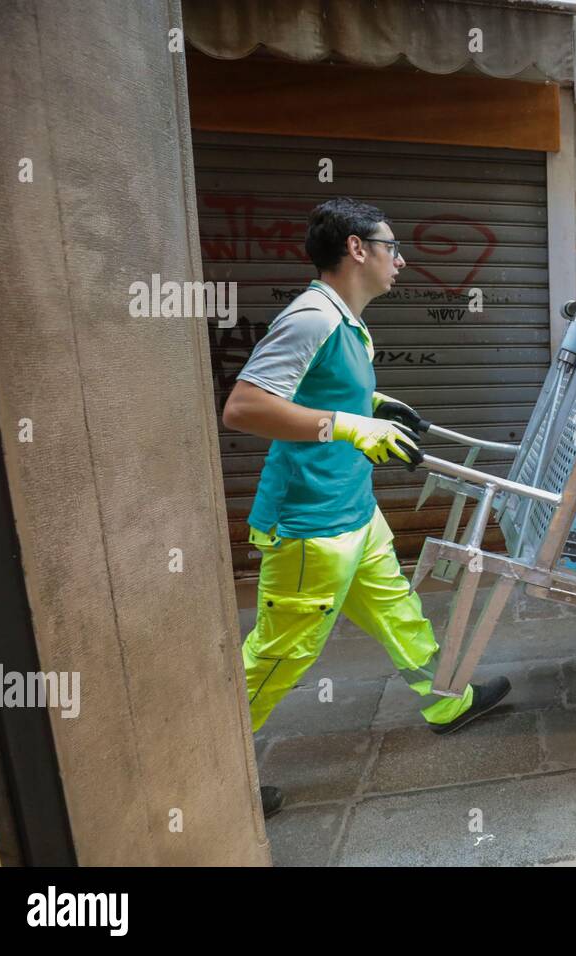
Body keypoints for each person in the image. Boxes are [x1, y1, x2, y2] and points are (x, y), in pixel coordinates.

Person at [222, 198, 511, 819]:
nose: (400, 260)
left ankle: (447, 702)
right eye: (391, 247)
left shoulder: (347, 321)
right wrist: (351, 426)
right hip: (311, 524)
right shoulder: (311, 318)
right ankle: (213, 776)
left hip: (354, 508)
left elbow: (316, 394)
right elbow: (243, 408)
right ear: (357, 249)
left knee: (399, 612)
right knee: (281, 653)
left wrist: (372, 404)